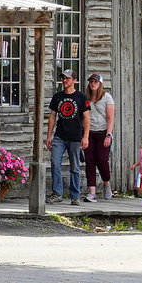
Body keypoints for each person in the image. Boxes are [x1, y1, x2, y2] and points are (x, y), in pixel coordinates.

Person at [45, 69, 89, 205]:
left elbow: (87, 118)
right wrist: (49, 136)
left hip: (75, 137)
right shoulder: (57, 96)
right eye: (63, 78)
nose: (65, 81)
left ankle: (75, 195)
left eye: (68, 78)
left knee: (75, 167)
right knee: (55, 163)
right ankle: (57, 193)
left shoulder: (81, 97)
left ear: (74, 81)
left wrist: (85, 136)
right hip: (60, 136)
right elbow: (52, 116)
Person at [83, 73, 116, 202]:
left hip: (103, 132)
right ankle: (92, 191)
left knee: (102, 160)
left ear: (100, 84)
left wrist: (108, 134)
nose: (93, 84)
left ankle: (107, 183)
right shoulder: (86, 98)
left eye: (95, 82)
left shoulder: (107, 97)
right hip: (89, 132)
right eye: (91, 82)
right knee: (89, 160)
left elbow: (110, 117)